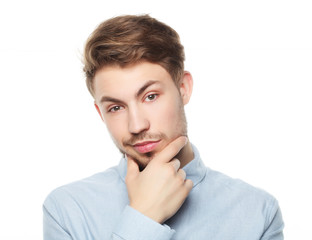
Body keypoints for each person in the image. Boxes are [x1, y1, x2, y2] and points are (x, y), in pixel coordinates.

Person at [43, 14, 284, 239]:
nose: (137, 125)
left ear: (183, 88)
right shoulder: (67, 210)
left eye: (150, 96)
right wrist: (143, 216)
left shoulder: (258, 212)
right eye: (116, 107)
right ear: (100, 113)